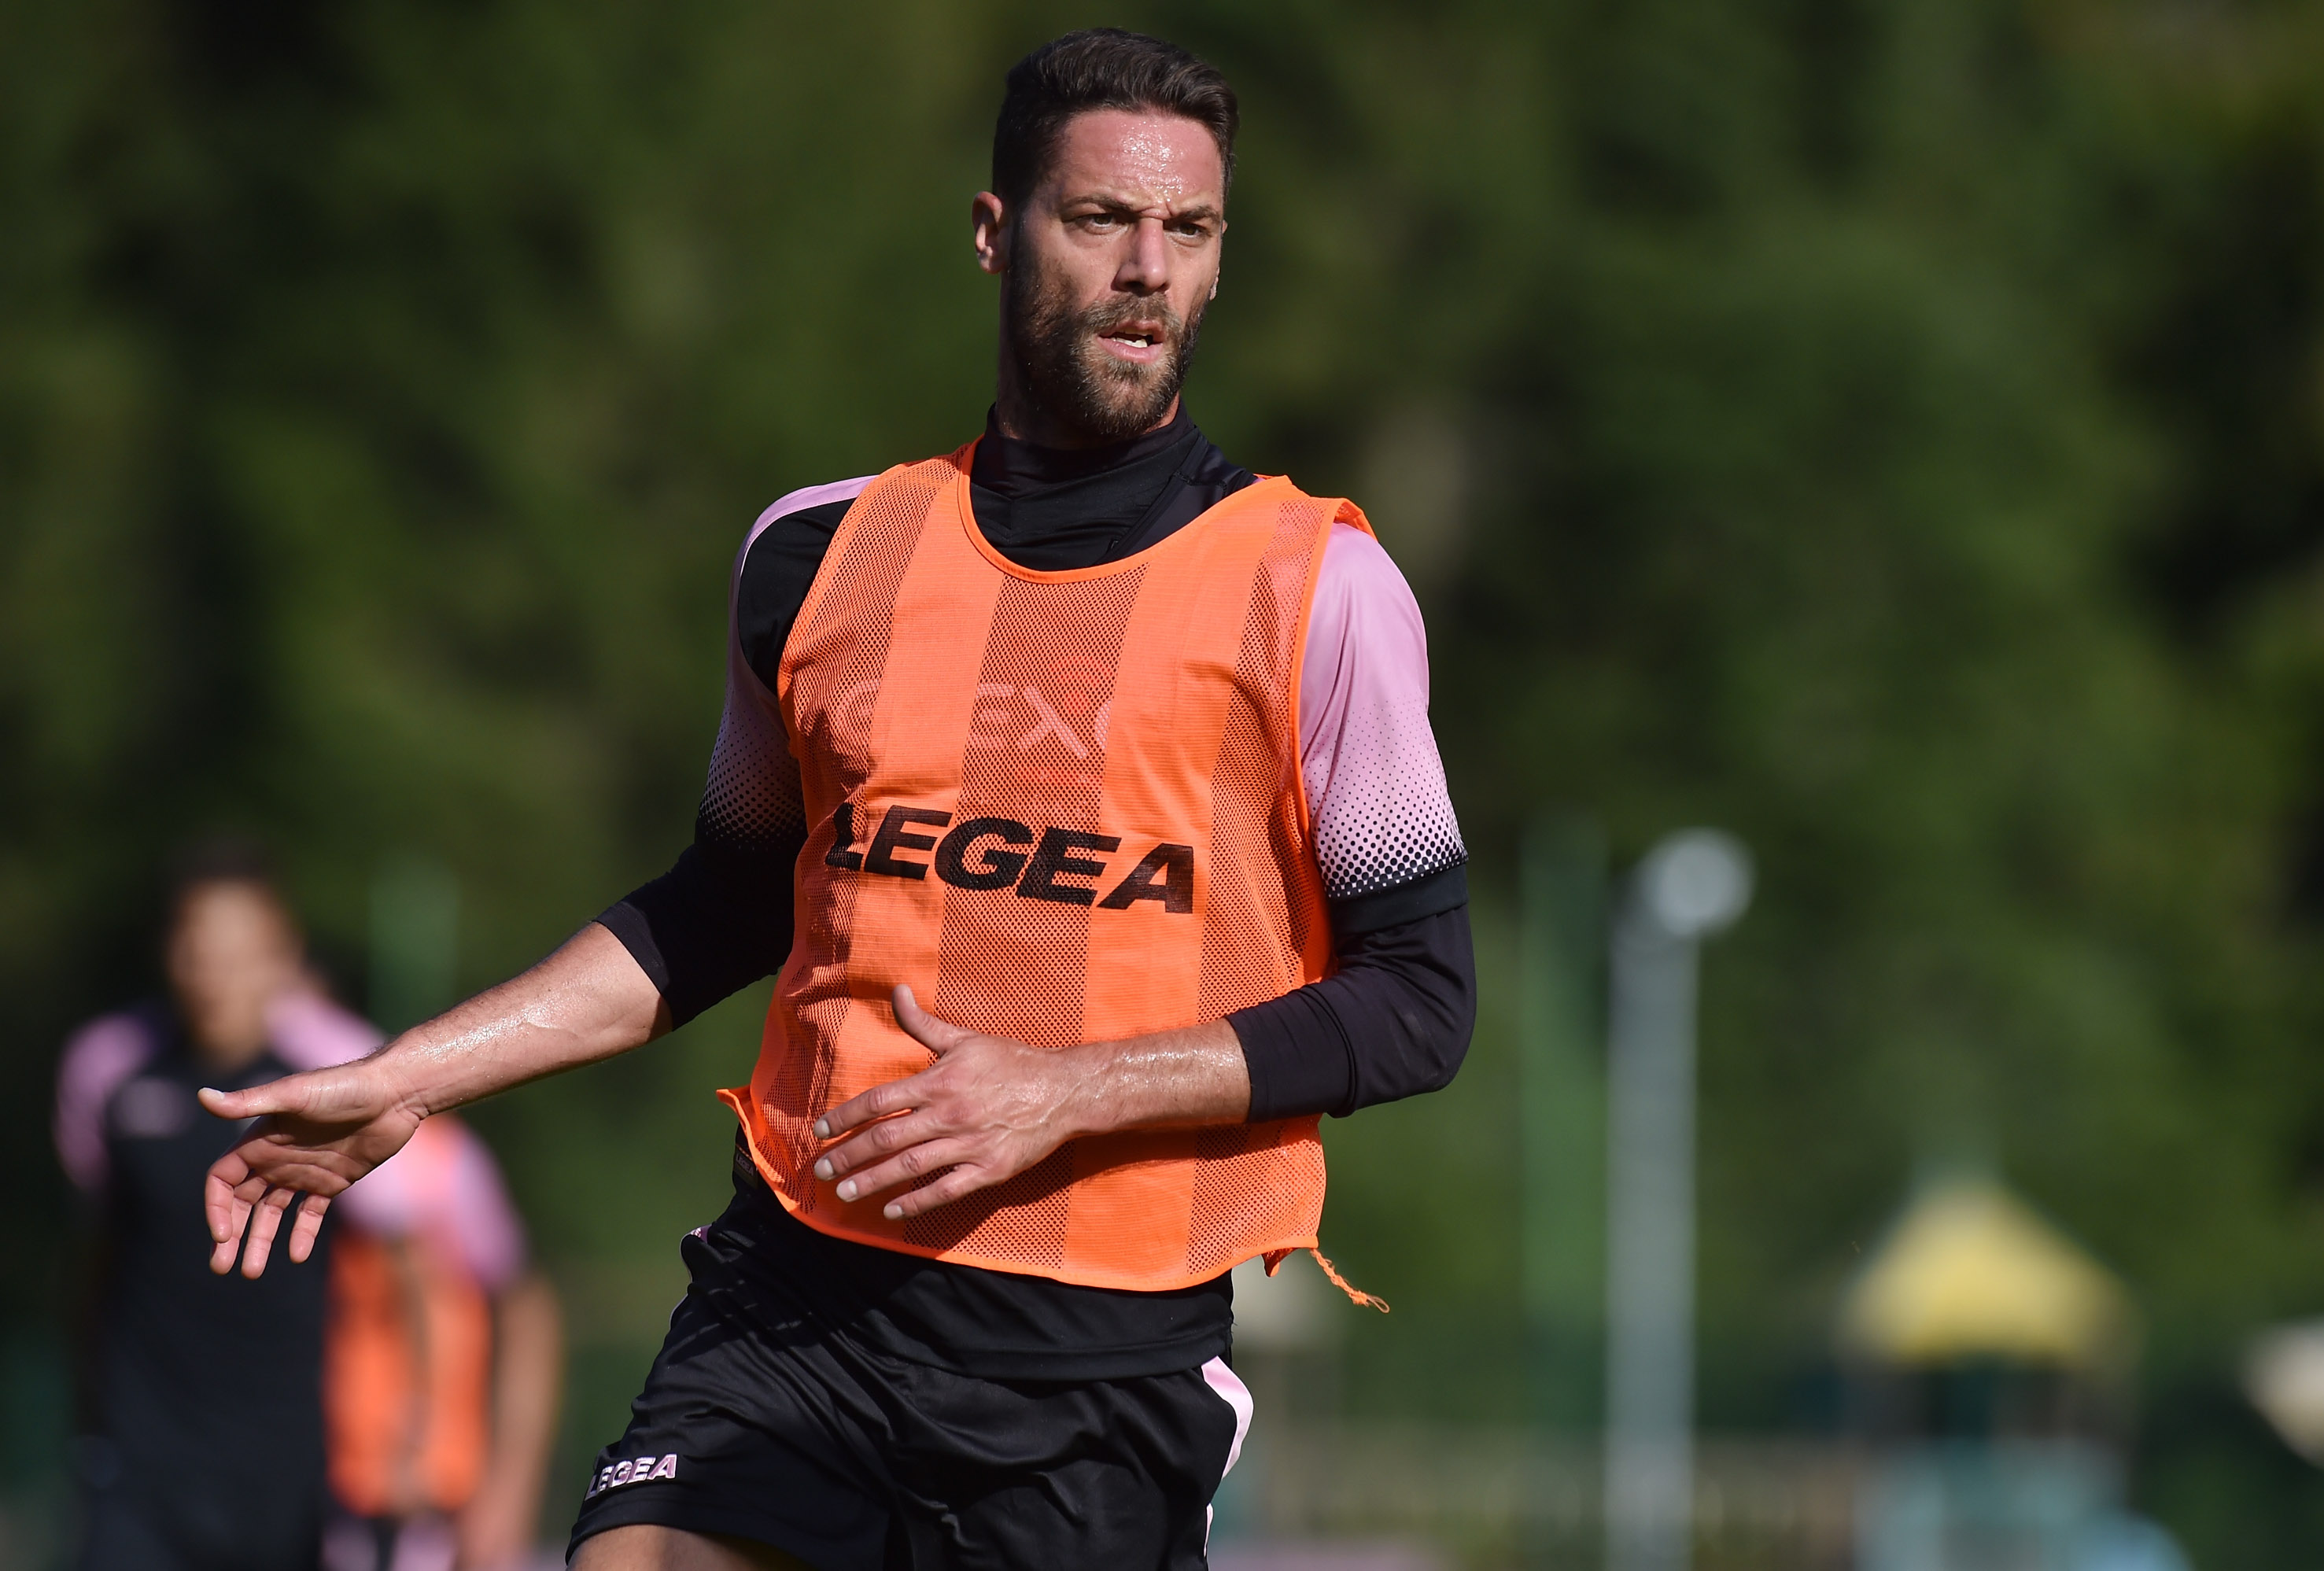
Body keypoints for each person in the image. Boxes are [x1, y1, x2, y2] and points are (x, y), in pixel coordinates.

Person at [202, 28, 1477, 1571]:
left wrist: (1066, 1085)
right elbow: (720, 906)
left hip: (1093, 1362)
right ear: (996, 231)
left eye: (1188, 230)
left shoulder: (1315, 585)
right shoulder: (818, 557)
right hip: (796, 1296)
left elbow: (1418, 1000)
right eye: (1101, 219)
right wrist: (415, 1072)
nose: (1148, 266)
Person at [54, 850, 353, 1569]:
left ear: (280, 958)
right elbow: (93, 1253)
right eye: (195, 946)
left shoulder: (339, 1084)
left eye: (235, 951)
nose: (210, 970)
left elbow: (414, 1264)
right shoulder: (108, 1072)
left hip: (283, 1467)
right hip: (140, 1463)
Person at [319, 1093, 566, 1571]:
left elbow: (526, 1310)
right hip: (319, 1485)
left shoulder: (444, 1164)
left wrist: (509, 1487)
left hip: (419, 1497)